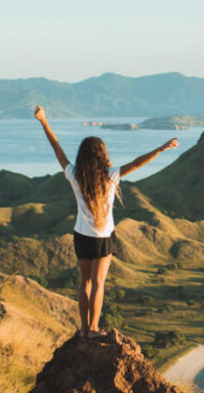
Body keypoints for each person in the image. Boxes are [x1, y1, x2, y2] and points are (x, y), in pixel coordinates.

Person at [34, 105, 178, 338]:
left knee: (85, 283)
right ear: (102, 155)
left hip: (81, 236)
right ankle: (93, 329)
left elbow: (56, 147)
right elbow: (138, 163)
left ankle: (84, 329)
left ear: (82, 155)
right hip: (103, 238)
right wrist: (162, 148)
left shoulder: (74, 175)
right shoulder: (110, 176)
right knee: (99, 283)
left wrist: (43, 120)